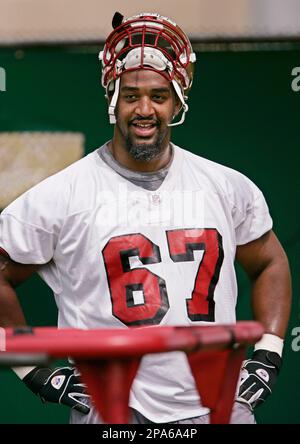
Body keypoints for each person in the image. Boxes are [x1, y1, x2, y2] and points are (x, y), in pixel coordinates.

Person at [0, 12, 291, 424]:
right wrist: (33, 371)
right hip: (114, 409)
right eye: (131, 95)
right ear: (112, 98)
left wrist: (268, 353)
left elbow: (270, 262)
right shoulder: (60, 196)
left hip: (219, 404)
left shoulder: (225, 186)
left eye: (158, 96)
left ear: (177, 101)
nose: (144, 109)